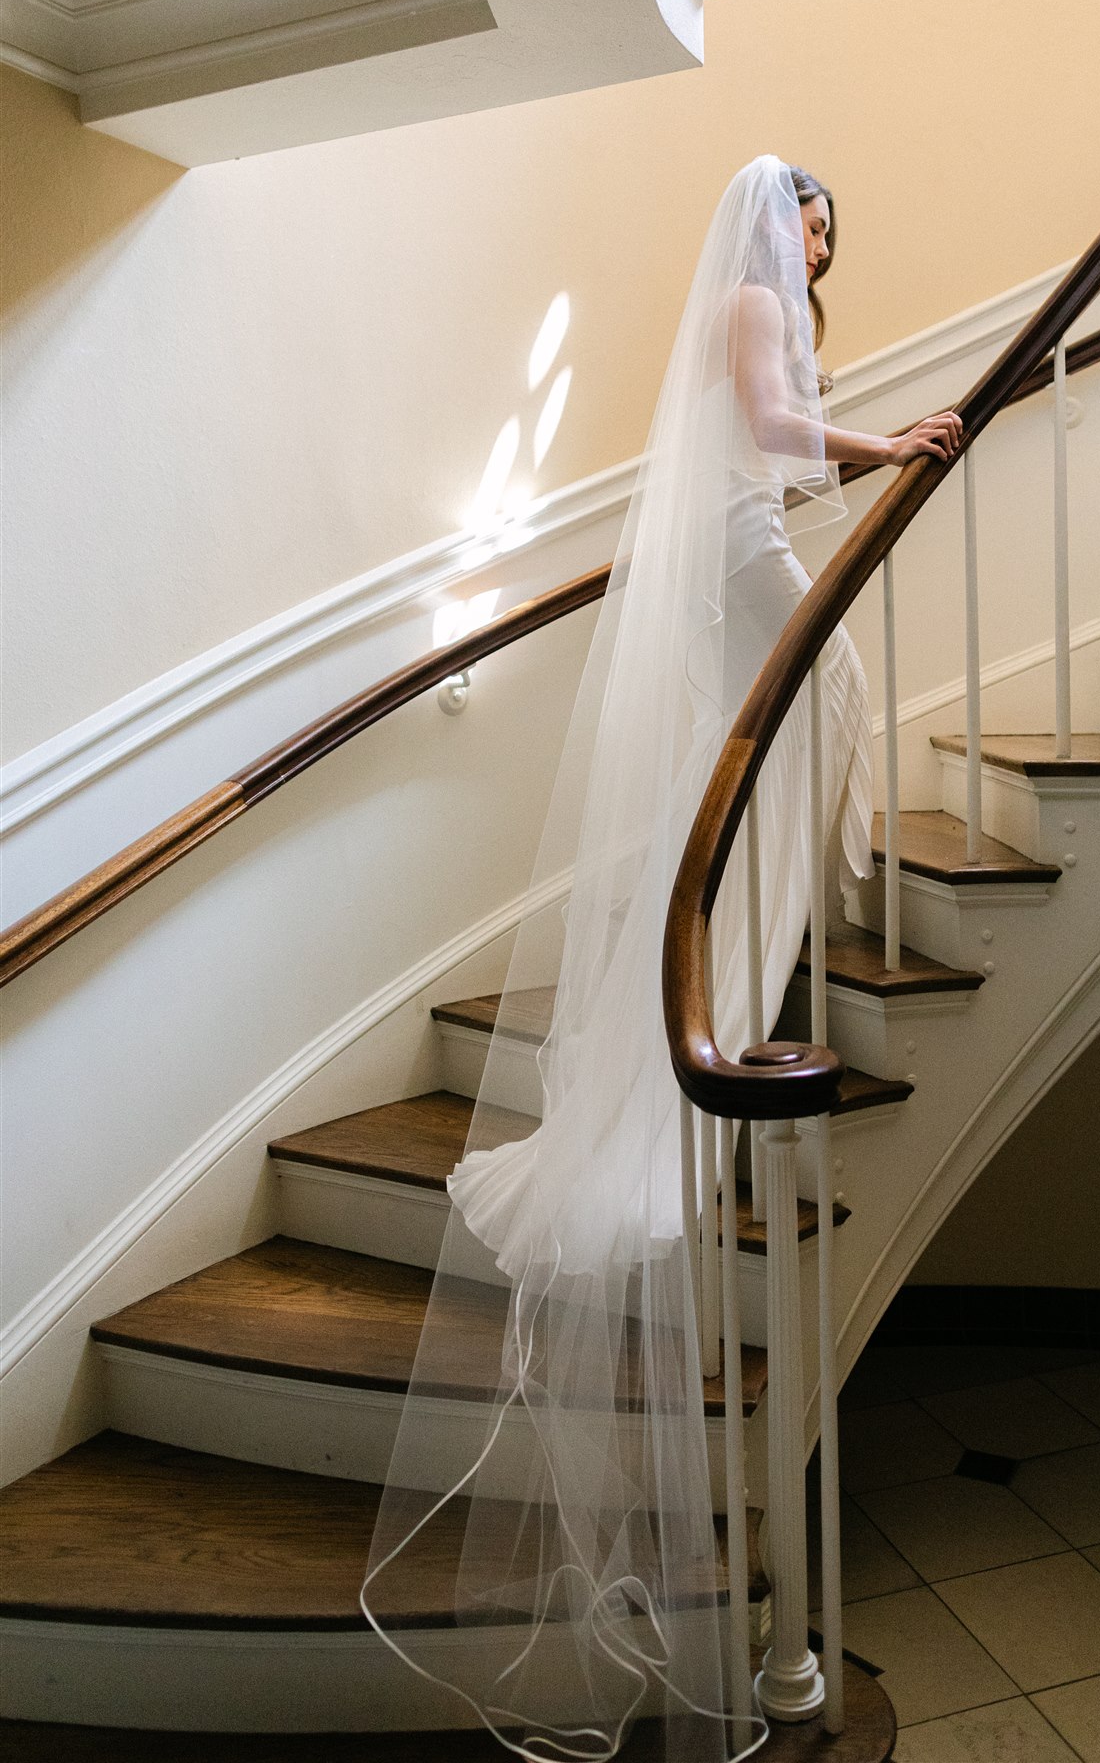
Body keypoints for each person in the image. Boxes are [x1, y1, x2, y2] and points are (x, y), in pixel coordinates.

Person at [363, 158, 962, 1763]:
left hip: (727, 537)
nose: (819, 241)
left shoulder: (758, 303)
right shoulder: (760, 302)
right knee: (814, 711)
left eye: (829, 226)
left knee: (784, 732)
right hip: (738, 534)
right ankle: (737, 970)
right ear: (778, 224)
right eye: (814, 216)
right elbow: (770, 432)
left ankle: (735, 959)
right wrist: (881, 441)